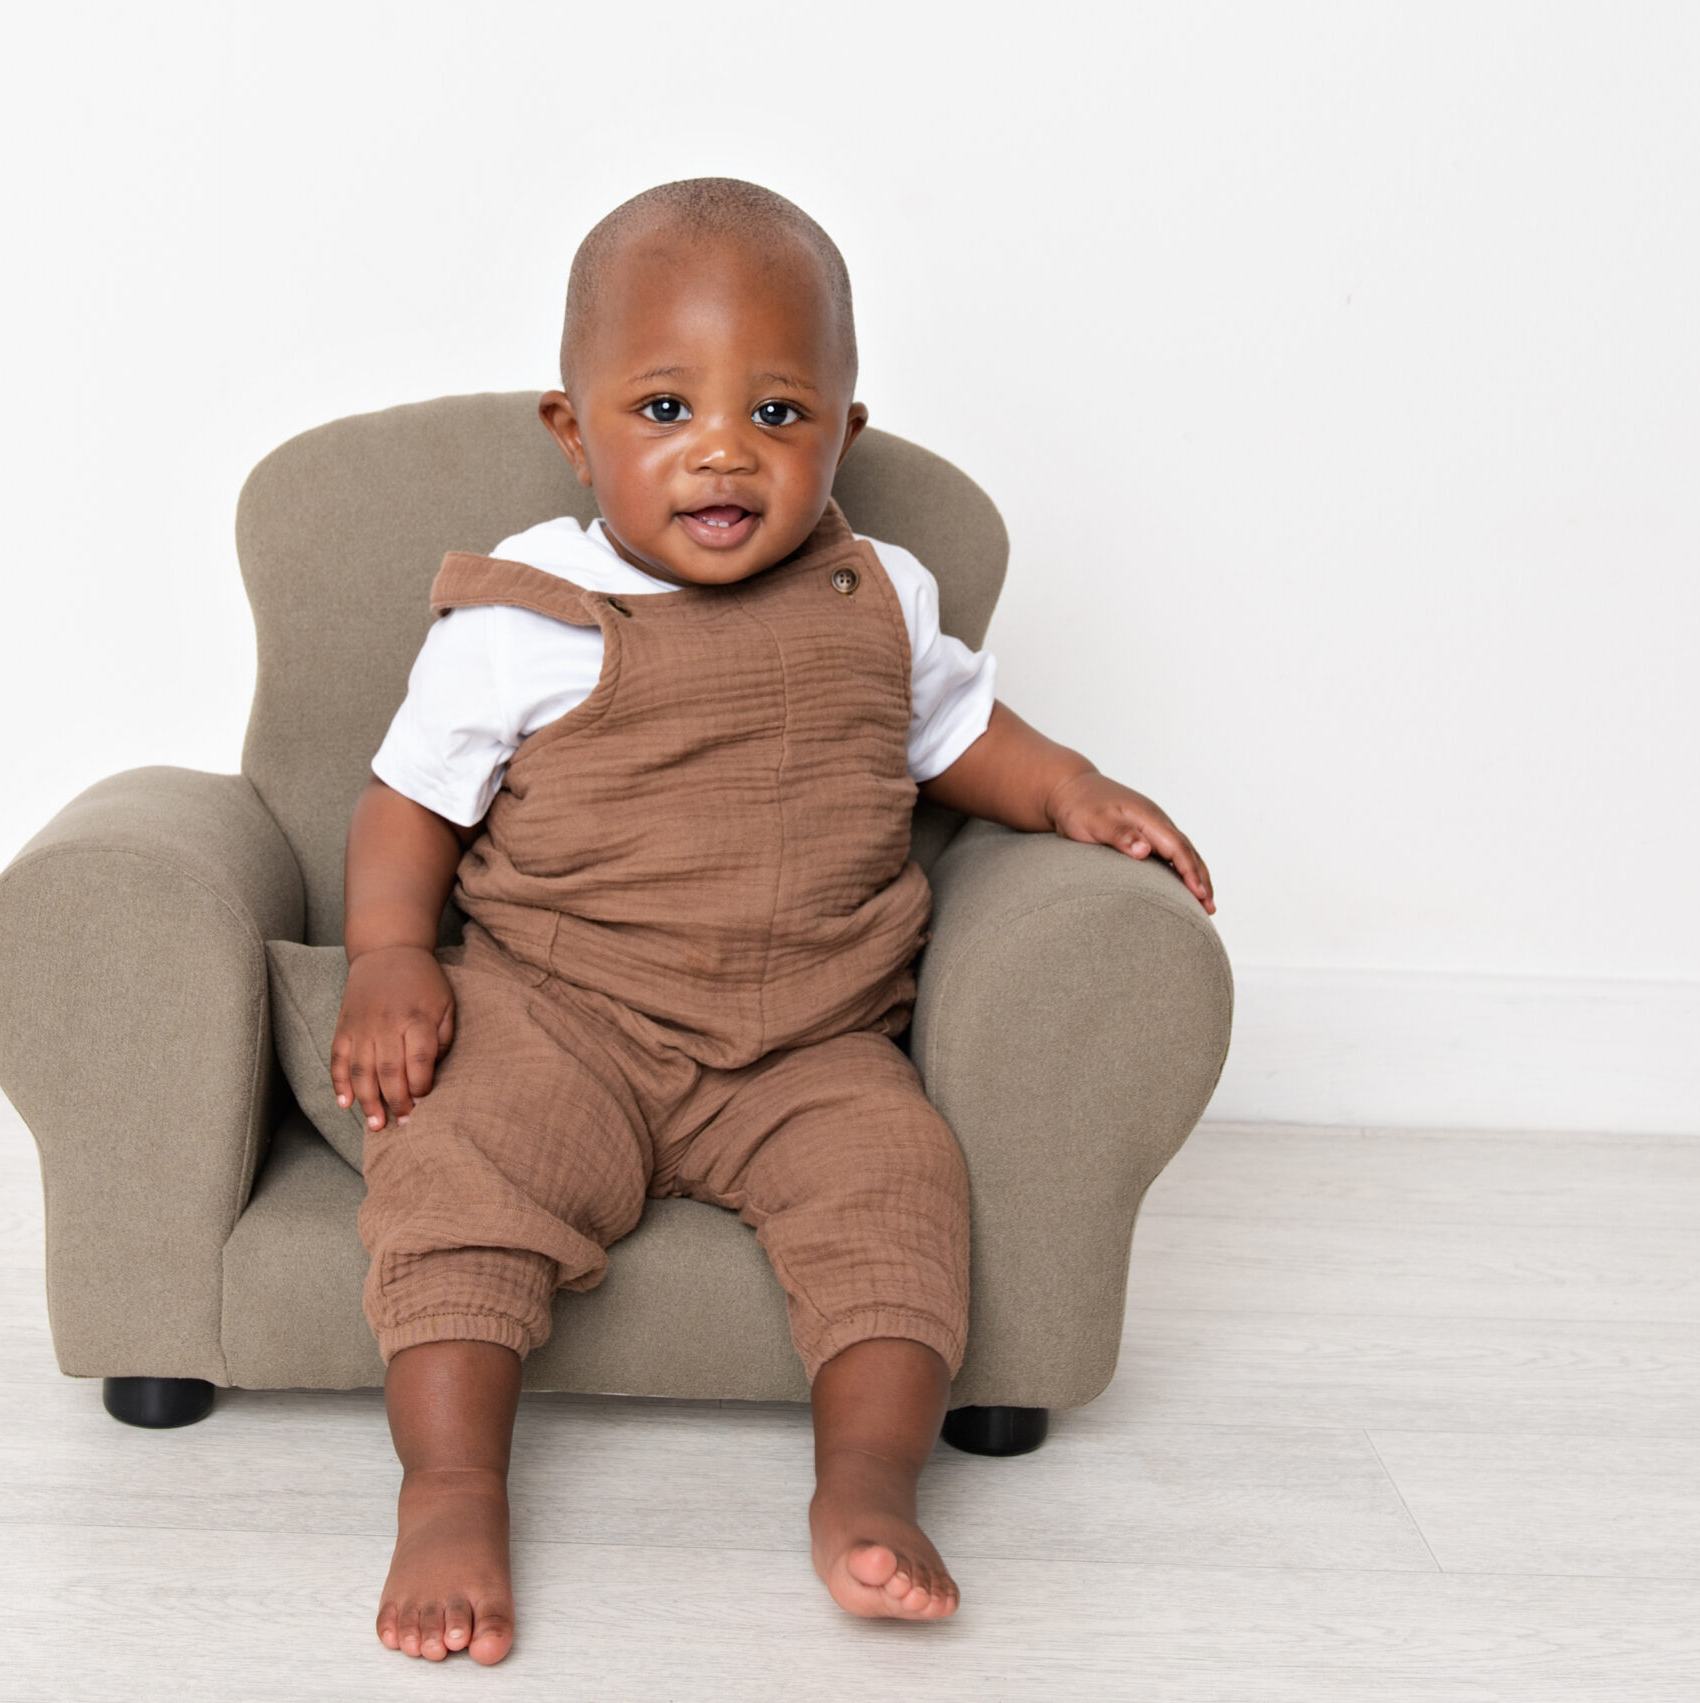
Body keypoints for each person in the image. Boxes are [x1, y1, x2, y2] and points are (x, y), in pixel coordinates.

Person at [333, 178, 1214, 1665]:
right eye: (666, 407)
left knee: (900, 1193)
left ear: (848, 434)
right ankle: (450, 1488)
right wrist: (389, 959)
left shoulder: (882, 589)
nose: (724, 450)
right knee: (456, 1171)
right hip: (565, 1014)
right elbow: (406, 802)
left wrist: (1071, 790)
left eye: (783, 414)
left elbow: (959, 736)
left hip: (810, 1039)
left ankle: (867, 1486)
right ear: (575, 429)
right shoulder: (525, 615)